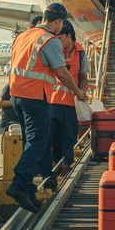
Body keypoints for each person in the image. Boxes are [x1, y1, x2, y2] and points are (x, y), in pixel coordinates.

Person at [6, 3, 87, 213]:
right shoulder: (49, 40)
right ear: (58, 22)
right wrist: (78, 91)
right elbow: (61, 72)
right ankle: (19, 184)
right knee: (37, 143)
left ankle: (29, 191)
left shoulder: (23, 36)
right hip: (36, 97)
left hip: (17, 97)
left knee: (30, 143)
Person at [47, 21, 89, 182]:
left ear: (69, 36)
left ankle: (67, 167)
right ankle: (55, 170)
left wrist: (83, 91)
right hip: (51, 102)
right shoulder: (54, 50)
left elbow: (83, 77)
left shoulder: (81, 53)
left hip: (70, 104)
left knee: (70, 137)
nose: (57, 41)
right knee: (53, 138)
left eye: (59, 37)